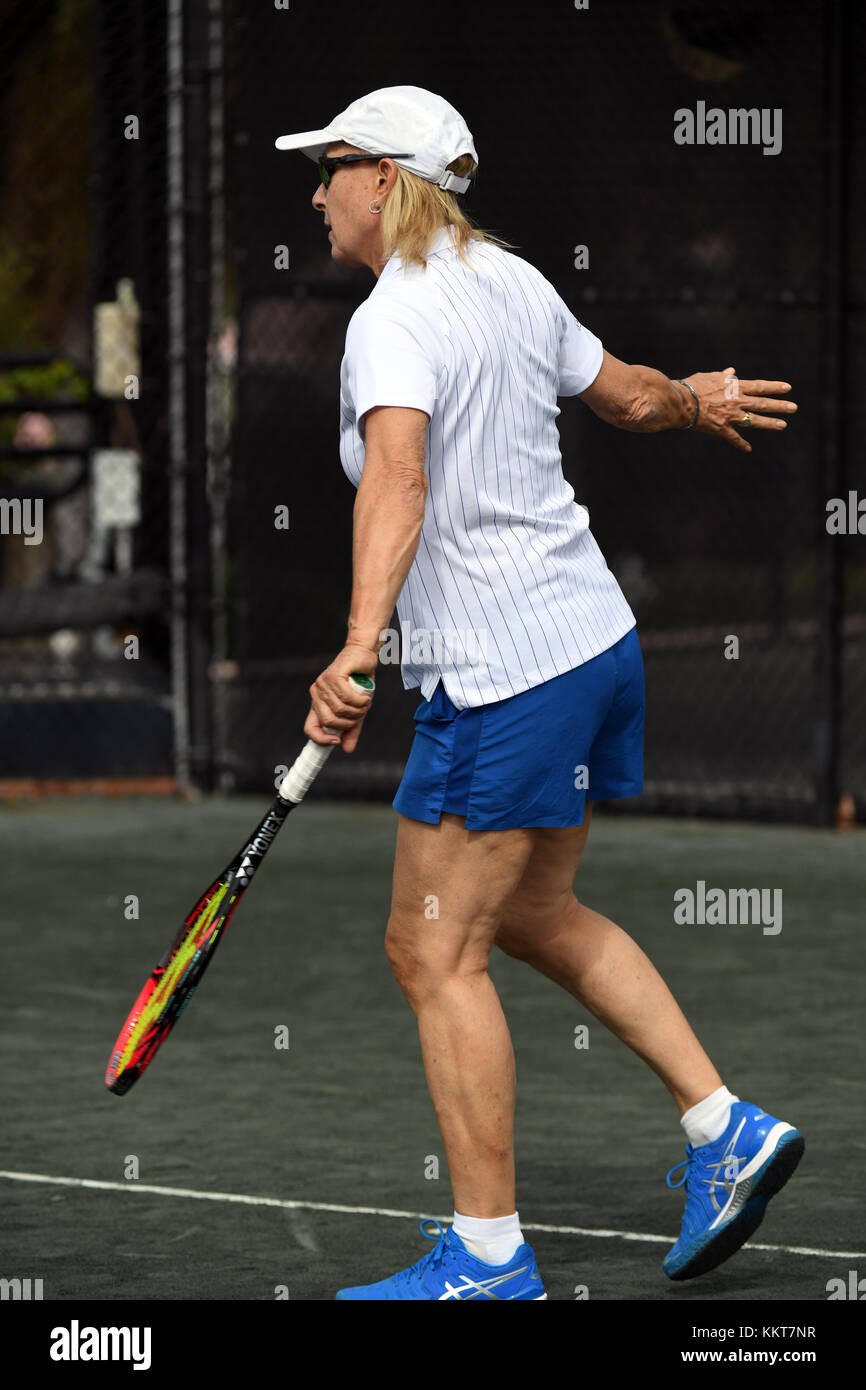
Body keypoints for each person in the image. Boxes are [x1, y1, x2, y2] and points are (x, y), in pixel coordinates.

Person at [275, 85, 803, 1301]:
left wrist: (359, 643)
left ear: (385, 180)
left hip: (509, 676)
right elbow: (625, 396)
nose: (315, 191)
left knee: (431, 950)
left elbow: (394, 481)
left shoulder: (391, 320)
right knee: (529, 911)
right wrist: (696, 396)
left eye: (332, 167)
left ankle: (488, 1259)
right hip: (592, 646)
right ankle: (721, 1127)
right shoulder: (512, 280)